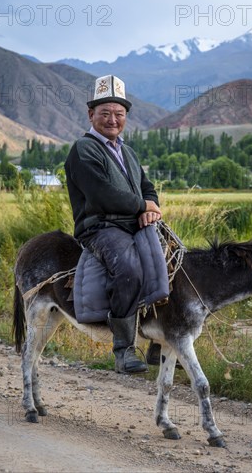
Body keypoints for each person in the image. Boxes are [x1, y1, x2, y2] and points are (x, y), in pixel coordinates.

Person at [65, 75, 164, 374]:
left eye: (119, 114)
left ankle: (159, 339)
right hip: (101, 227)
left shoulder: (128, 152)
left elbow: (147, 189)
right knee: (130, 269)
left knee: (172, 261)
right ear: (90, 114)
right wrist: (140, 206)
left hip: (133, 223)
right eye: (105, 113)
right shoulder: (84, 150)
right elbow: (102, 194)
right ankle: (123, 349)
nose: (112, 119)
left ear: (126, 118)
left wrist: (151, 208)